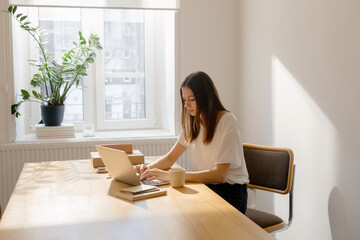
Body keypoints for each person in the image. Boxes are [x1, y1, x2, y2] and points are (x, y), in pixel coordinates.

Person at [136, 71, 249, 214]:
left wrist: (173, 177)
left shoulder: (227, 121)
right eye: (184, 100)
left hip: (230, 193)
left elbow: (219, 175)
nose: (186, 105)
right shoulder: (193, 121)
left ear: (207, 97)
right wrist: (146, 170)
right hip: (205, 186)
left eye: (192, 99)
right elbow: (170, 158)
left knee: (182, 214)